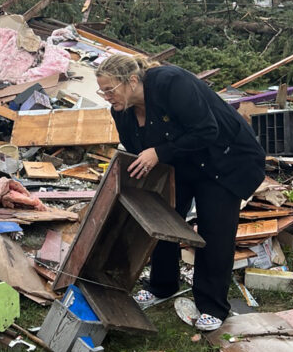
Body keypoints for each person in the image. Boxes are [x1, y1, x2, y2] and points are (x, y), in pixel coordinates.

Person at [96, 54, 265, 331]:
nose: (106, 97)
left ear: (132, 81)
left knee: (214, 232)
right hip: (183, 163)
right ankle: (162, 285)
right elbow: (136, 148)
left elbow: (207, 130)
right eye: (102, 91)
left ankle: (212, 305)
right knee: (163, 219)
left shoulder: (171, 83)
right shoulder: (122, 111)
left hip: (224, 159)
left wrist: (159, 152)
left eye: (110, 90)